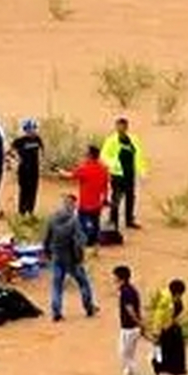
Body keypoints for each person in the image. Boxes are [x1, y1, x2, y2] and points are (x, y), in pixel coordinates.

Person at [41, 194, 97, 322]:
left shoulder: (52, 218)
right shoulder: (74, 221)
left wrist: (47, 253)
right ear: (72, 206)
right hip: (72, 258)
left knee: (57, 286)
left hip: (57, 256)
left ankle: (56, 312)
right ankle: (88, 308)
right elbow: (80, 241)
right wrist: (80, 256)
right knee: (83, 283)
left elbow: (46, 238)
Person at [100, 117, 149, 233]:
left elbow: (139, 155)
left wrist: (142, 171)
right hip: (117, 175)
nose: (121, 128)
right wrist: (114, 165)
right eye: (119, 126)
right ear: (116, 127)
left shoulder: (134, 139)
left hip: (130, 174)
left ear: (127, 127)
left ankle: (129, 220)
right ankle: (113, 221)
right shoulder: (111, 140)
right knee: (116, 198)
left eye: (123, 126)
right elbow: (103, 156)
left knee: (131, 197)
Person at [114, 265, 152, 375]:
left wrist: (139, 324)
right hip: (130, 328)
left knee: (126, 356)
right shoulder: (130, 289)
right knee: (127, 355)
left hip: (129, 329)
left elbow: (130, 310)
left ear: (120, 277)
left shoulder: (126, 291)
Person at [149, 278, 188, 375]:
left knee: (178, 354)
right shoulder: (165, 300)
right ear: (176, 292)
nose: (181, 296)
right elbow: (158, 316)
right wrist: (156, 333)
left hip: (174, 328)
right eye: (180, 294)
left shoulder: (174, 299)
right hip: (165, 331)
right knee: (161, 353)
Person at [73, 144, 110, 246]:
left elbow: (70, 175)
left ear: (90, 155)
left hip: (85, 205)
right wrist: (105, 199)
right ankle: (95, 242)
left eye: (86, 153)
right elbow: (105, 186)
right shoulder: (103, 169)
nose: (84, 155)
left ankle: (86, 241)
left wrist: (58, 171)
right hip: (97, 204)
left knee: (83, 224)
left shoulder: (84, 168)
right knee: (95, 223)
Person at [10, 119, 44, 219]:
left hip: (35, 170)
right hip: (23, 171)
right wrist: (17, 159)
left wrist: (42, 159)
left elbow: (42, 150)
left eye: (34, 128)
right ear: (25, 130)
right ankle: (22, 213)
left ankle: (30, 211)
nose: (33, 130)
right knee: (24, 191)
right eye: (30, 129)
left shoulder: (37, 139)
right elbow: (9, 152)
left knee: (33, 191)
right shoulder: (19, 141)